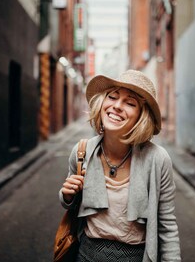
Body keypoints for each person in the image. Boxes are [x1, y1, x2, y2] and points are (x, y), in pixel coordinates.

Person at [59, 70, 181, 261]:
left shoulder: (157, 159)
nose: (117, 106)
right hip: (85, 256)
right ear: (102, 103)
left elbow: (167, 226)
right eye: (112, 97)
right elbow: (73, 204)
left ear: (142, 115)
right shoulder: (82, 152)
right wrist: (67, 195)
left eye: (130, 103)